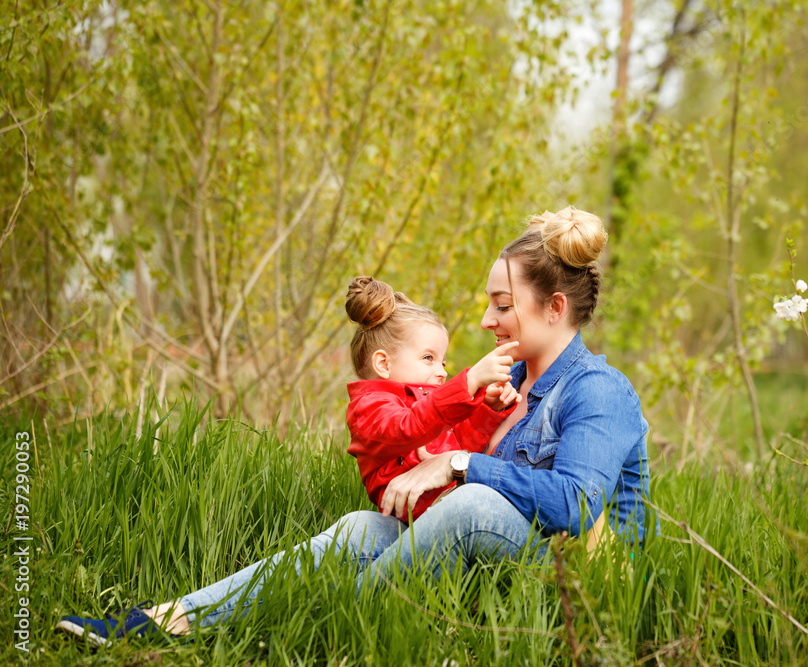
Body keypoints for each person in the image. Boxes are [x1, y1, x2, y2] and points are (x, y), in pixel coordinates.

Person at [56, 206, 652, 645]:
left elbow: (574, 505)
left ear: (554, 308)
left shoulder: (598, 391)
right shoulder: (509, 385)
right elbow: (410, 425)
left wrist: (458, 462)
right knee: (362, 527)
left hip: (576, 582)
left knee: (474, 503)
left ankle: (312, 630)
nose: (486, 318)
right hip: (501, 563)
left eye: (502, 305)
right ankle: (162, 621)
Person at [343, 274, 520, 522]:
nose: (442, 371)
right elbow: (408, 428)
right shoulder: (369, 407)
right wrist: (469, 382)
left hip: (445, 500)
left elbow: (460, 443)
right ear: (383, 364)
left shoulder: (432, 406)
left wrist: (487, 409)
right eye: (428, 358)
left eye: (443, 361)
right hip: (422, 507)